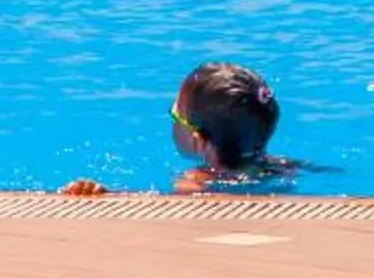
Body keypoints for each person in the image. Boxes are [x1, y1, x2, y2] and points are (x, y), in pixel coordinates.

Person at [61, 61, 295, 195]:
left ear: (197, 140)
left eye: (175, 116)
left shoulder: (194, 181)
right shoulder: (284, 168)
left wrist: (109, 196)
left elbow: (165, 212)